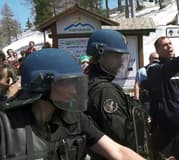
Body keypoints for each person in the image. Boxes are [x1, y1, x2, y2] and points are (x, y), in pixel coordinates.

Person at [0, 48, 146, 160]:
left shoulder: (74, 119)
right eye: (68, 83)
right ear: (43, 84)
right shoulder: (5, 125)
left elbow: (117, 151)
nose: (75, 90)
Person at [85, 29, 153, 160]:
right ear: (100, 55)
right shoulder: (105, 91)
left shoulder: (92, 83)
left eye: (122, 57)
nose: (121, 62)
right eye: (116, 56)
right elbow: (123, 139)